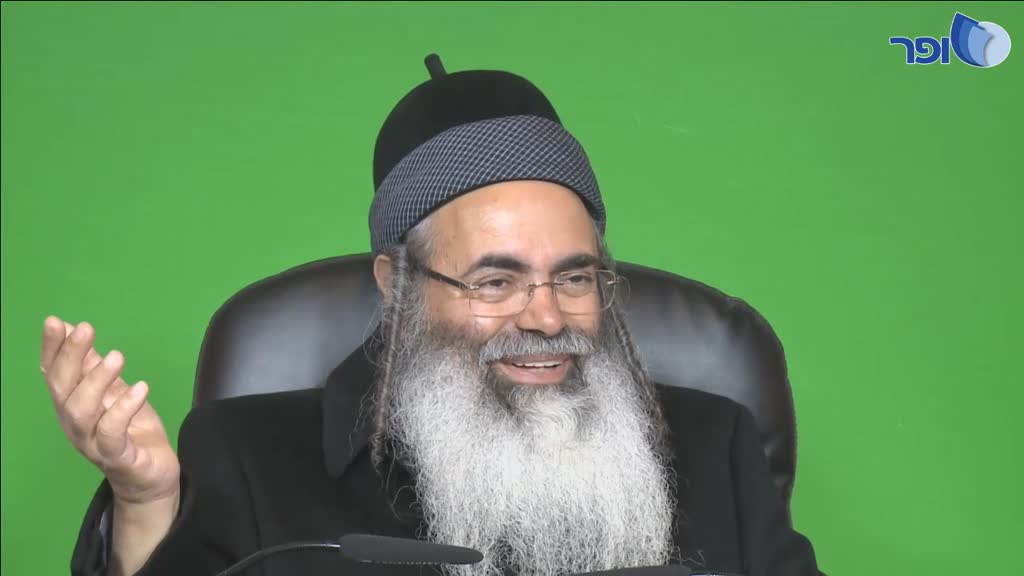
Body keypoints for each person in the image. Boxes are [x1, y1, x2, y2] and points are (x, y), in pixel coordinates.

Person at [43, 55, 822, 576]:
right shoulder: (247, 456)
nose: (546, 316)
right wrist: (144, 505)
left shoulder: (715, 444)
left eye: (575, 276)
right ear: (400, 283)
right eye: (495, 281)